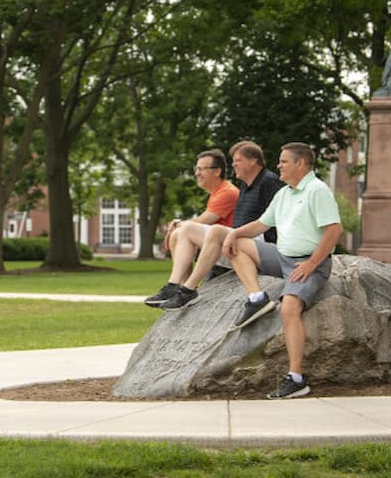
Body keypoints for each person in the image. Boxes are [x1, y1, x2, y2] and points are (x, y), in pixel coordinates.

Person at [223, 142, 342, 399]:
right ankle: (257, 298)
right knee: (239, 246)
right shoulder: (285, 193)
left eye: (284, 161)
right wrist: (234, 234)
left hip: (310, 262)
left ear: (300, 163)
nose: (278, 166)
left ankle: (296, 378)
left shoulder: (317, 190)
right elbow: (261, 224)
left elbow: (334, 230)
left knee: (289, 309)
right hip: (282, 257)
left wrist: (311, 264)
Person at [158, 141, 284, 311]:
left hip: (260, 246)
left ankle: (188, 289)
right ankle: (175, 286)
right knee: (185, 230)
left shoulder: (269, 182)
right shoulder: (245, 186)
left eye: (237, 160)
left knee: (204, 230)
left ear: (253, 161)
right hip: (240, 241)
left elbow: (277, 222)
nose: (232, 165)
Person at [144, 149, 239, 308]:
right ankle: (181, 287)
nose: (197, 173)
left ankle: (179, 287)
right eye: (196, 169)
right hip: (216, 247)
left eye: (202, 169)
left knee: (184, 230)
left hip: (229, 250)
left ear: (217, 171)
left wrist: (178, 224)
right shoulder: (217, 193)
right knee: (180, 232)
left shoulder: (227, 192)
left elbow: (201, 223)